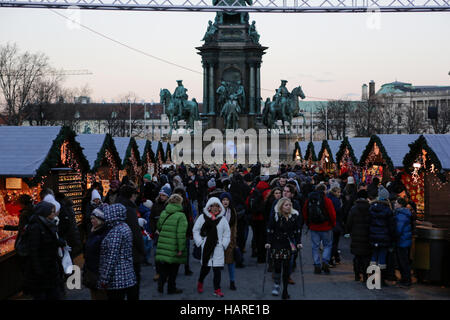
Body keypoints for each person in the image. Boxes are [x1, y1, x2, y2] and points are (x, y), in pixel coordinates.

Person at [23, 201, 66, 300]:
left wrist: (59, 242)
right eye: (51, 212)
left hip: (50, 266)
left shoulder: (48, 223)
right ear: (44, 212)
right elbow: (34, 250)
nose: (54, 213)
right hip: (42, 270)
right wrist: (38, 269)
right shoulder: (36, 227)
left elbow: (49, 240)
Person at [193, 197, 231, 298]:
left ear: (220, 208)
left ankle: (217, 289)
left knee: (217, 270)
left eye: (217, 206)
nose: (215, 208)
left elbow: (227, 233)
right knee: (205, 268)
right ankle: (200, 282)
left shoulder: (222, 220)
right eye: (213, 206)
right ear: (209, 207)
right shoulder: (202, 217)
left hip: (218, 247)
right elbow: (196, 230)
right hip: (206, 247)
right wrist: (200, 242)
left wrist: (223, 244)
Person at [265, 198, 302, 300]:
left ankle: (285, 290)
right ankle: (277, 284)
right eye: (286, 205)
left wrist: (298, 242)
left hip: (288, 244)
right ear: (281, 206)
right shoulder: (275, 216)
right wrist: (268, 242)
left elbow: (297, 231)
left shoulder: (294, 216)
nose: (288, 207)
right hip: (277, 244)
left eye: (290, 205)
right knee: (277, 266)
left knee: (286, 267)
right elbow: (270, 229)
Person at [98, 204, 137, 300]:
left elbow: (111, 256)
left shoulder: (116, 231)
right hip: (126, 273)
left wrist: (104, 278)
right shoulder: (124, 226)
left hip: (117, 277)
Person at [116, 184, 145, 299]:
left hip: (119, 250)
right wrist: (142, 250)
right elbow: (135, 232)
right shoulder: (129, 209)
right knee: (133, 283)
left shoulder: (117, 205)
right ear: (131, 195)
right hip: (131, 251)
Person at [155, 194, 188, 294]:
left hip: (164, 243)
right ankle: (171, 287)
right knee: (174, 268)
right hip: (174, 245)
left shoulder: (164, 212)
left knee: (165, 266)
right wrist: (181, 248)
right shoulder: (181, 216)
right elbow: (181, 234)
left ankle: (161, 282)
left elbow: (159, 226)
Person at [303, 184, 336, 275]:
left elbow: (305, 212)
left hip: (314, 227)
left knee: (315, 246)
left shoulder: (310, 200)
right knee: (327, 245)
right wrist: (332, 224)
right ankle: (325, 261)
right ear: (324, 191)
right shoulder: (327, 200)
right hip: (326, 226)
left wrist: (308, 224)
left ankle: (317, 264)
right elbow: (332, 214)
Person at [368, 186, 395, 286]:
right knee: (382, 258)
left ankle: (372, 279)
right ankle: (380, 280)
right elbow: (391, 226)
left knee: (374, 257)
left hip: (373, 236)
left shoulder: (372, 208)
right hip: (384, 237)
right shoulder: (388, 211)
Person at [83, 204, 109, 300]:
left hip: (98, 272)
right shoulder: (94, 231)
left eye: (94, 218)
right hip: (92, 271)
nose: (91, 220)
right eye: (91, 218)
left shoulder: (102, 234)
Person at [346, 189, 372, 282]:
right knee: (366, 257)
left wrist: (349, 231)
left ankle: (357, 275)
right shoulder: (370, 208)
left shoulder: (354, 208)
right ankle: (365, 275)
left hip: (356, 235)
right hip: (367, 235)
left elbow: (349, 222)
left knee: (357, 256)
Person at [246, 175, 271, 264]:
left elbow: (247, 202)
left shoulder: (254, 190)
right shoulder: (268, 191)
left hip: (254, 217)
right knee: (263, 237)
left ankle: (254, 251)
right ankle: (262, 256)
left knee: (255, 235)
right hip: (263, 217)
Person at [55, 192, 82, 259]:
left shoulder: (63, 208)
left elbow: (66, 224)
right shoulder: (68, 206)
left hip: (68, 236)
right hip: (72, 235)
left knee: (68, 257)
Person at [220, 192, 238, 290]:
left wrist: (234, 240)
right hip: (218, 241)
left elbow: (234, 227)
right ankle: (217, 283)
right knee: (217, 264)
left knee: (230, 262)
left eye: (227, 200)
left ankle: (232, 281)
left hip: (230, 240)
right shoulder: (217, 211)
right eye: (223, 200)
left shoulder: (232, 211)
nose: (225, 201)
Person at [393, 197, 413, 287]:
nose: (394, 204)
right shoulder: (403, 213)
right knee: (403, 260)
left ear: (400, 205)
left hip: (402, 241)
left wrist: (394, 236)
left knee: (403, 261)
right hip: (405, 240)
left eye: (396, 203)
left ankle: (406, 279)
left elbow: (398, 229)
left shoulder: (401, 215)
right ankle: (405, 278)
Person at [327, 187, 343, 267]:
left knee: (332, 242)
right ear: (335, 192)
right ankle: (330, 259)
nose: (340, 194)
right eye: (338, 192)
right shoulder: (336, 201)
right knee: (334, 242)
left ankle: (336, 257)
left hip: (328, 223)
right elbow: (338, 212)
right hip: (335, 223)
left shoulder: (327, 198)